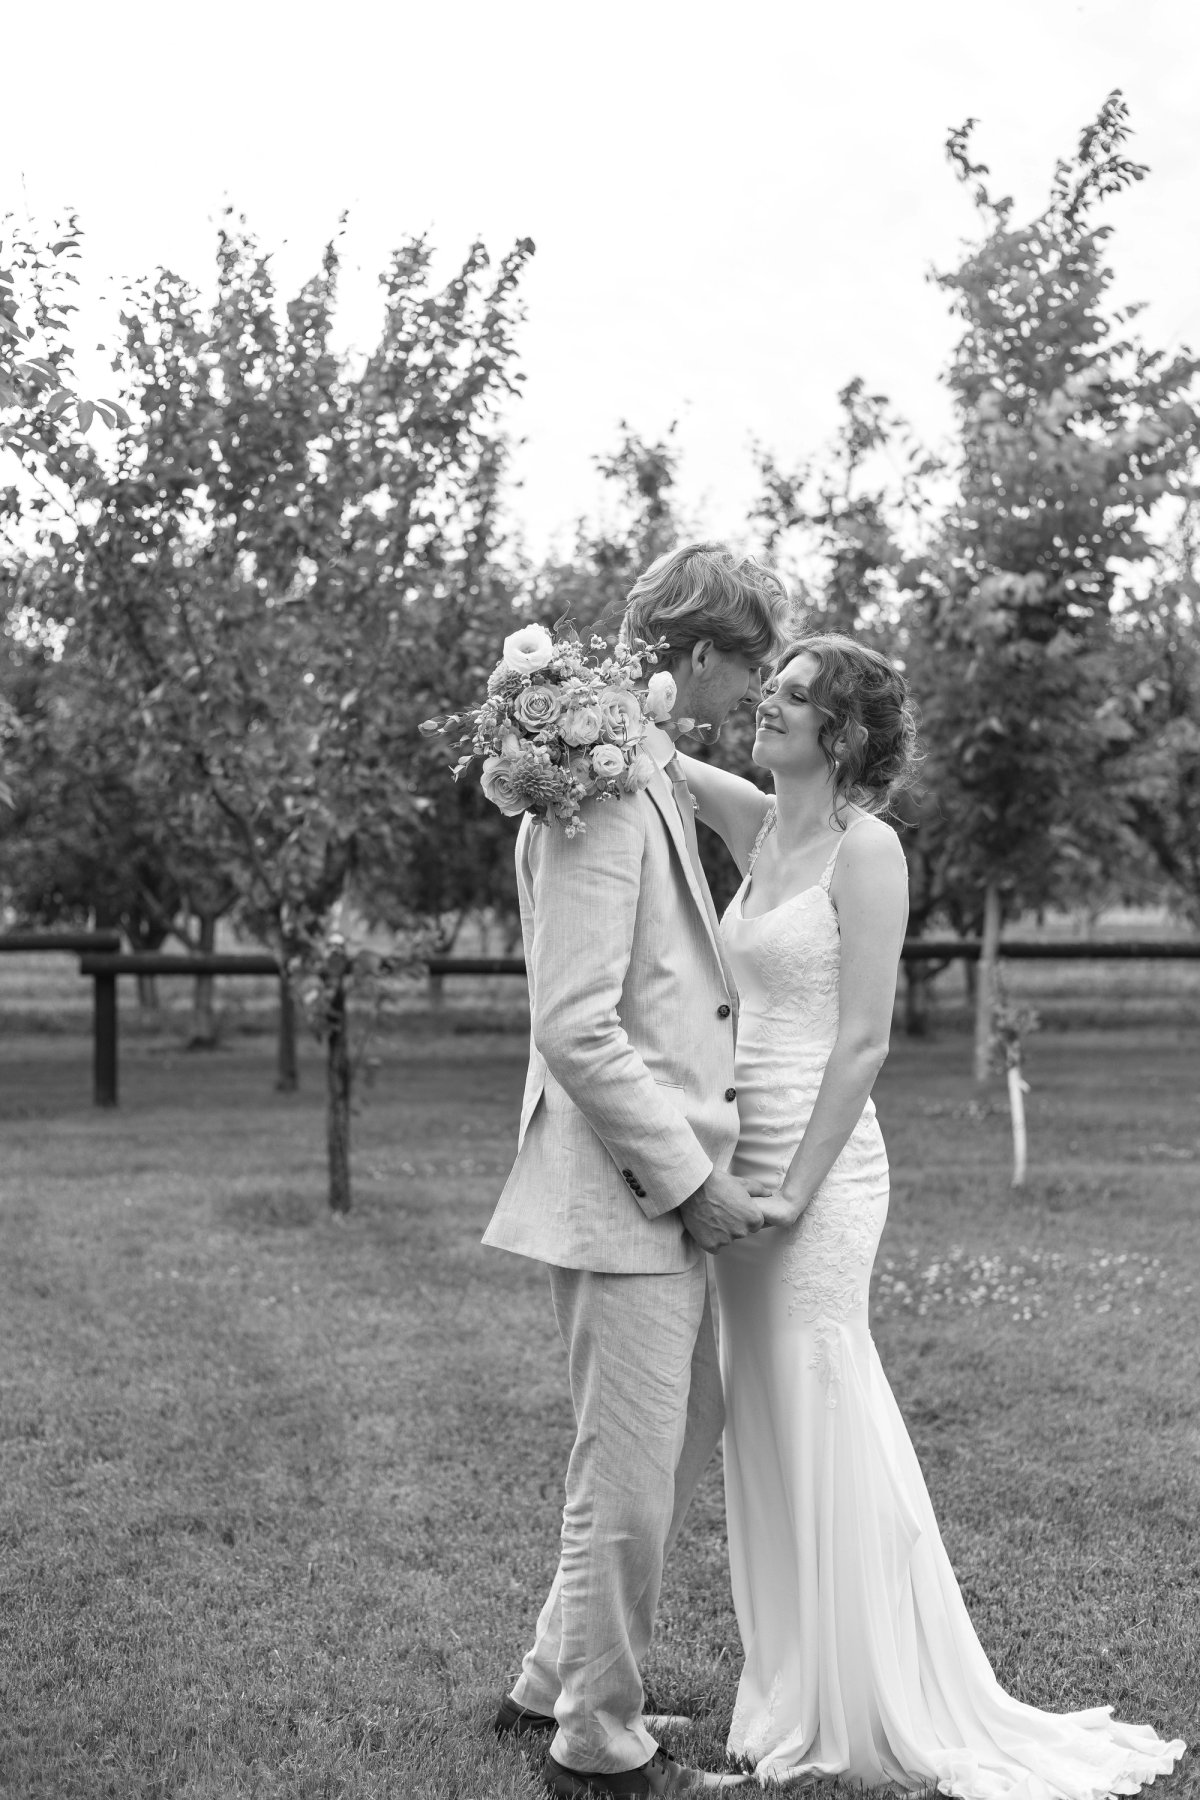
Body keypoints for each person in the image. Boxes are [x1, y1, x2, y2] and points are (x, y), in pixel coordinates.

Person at [676, 631, 1186, 1795]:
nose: (767, 705)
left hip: (821, 1170)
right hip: (738, 1156)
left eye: (793, 696)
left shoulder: (868, 850)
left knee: (820, 1402)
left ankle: (870, 1701)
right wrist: (575, 700)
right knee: (763, 1423)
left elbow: (864, 1039)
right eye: (770, 688)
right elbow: (654, 756)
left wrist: (797, 1188)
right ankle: (792, 1687)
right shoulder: (761, 828)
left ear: (842, 733)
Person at [486, 542, 793, 1799]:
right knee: (628, 1479)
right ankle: (596, 1740)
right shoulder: (602, 794)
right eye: (753, 669)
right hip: (629, 1188)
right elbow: (575, 1026)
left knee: (654, 1449)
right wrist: (690, 1180)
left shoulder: (636, 763)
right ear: (703, 653)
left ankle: (548, 1681)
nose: (757, 695)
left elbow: (761, 823)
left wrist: (665, 743)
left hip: (644, 1185)